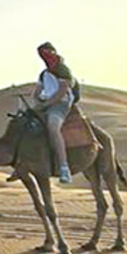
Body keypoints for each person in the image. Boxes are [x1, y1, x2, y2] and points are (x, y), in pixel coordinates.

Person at [30, 41, 81, 184]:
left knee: (53, 127)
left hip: (60, 105)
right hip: (46, 104)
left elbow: (62, 91)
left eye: (47, 53)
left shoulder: (63, 70)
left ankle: (64, 168)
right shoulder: (44, 74)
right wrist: (37, 101)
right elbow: (36, 92)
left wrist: (46, 104)